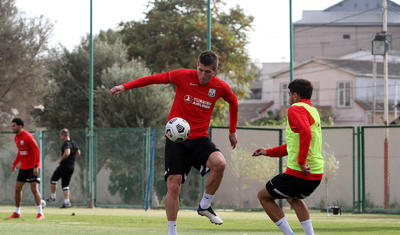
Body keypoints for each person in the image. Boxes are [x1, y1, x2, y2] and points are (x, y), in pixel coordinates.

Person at [110, 50, 238, 235]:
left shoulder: (220, 87)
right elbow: (154, 78)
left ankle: (205, 205)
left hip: (200, 139)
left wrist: (232, 131)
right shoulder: (183, 76)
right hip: (175, 140)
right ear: (197, 66)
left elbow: (233, 102)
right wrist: (125, 86)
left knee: (220, 163)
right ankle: (172, 232)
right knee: (174, 185)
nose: (202, 75)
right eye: (200, 70)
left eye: (207, 72)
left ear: (215, 71)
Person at [252, 79, 323, 235]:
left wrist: (302, 162)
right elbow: (292, 146)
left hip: (299, 173)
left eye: (289, 94)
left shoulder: (295, 109)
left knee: (263, 196)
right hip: (316, 174)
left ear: (295, 95)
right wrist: (267, 152)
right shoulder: (313, 111)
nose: (289, 97)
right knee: (293, 198)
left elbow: (306, 133)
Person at [8, 118, 45, 220]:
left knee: (34, 189)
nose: (12, 127)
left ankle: (40, 213)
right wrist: (15, 164)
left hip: (33, 167)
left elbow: (37, 151)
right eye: (12, 126)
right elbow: (21, 152)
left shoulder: (28, 137)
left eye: (14, 125)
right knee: (17, 188)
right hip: (23, 167)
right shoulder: (16, 138)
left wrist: (36, 166)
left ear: (20, 126)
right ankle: (17, 212)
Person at [46, 128, 81, 208]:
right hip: (71, 166)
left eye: (61, 136)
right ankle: (67, 202)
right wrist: (72, 158)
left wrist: (61, 159)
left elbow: (67, 152)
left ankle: (53, 197)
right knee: (65, 184)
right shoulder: (74, 143)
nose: (60, 137)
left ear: (63, 135)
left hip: (64, 166)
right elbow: (78, 153)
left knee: (53, 179)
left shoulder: (66, 143)